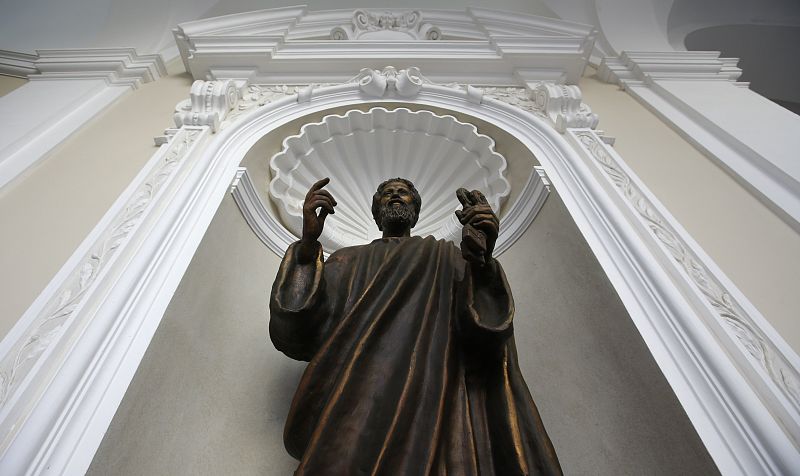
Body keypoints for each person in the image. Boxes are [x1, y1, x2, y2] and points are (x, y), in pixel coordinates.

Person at [270, 177, 561, 475]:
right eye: (387, 193)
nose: (395, 196)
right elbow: (300, 329)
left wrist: (482, 262)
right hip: (355, 395)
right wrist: (307, 246)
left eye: (404, 193)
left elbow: (486, 330)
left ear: (417, 208)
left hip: (432, 393)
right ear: (375, 210)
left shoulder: (447, 257)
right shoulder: (347, 259)